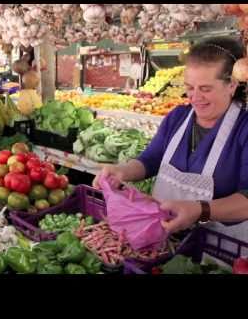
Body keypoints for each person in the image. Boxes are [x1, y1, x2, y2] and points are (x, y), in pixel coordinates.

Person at [93, 37, 248, 241]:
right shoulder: (177, 117)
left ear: (232, 85)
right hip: (163, 237)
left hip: (219, 246)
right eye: (190, 87)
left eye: (205, 89)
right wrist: (122, 171)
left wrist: (199, 210)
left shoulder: (243, 129)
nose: (195, 97)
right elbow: (149, 160)